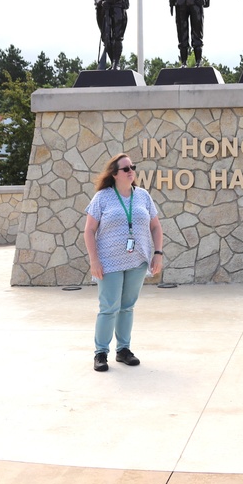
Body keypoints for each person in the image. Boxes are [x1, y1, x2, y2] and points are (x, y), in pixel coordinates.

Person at [84, 153, 163, 372]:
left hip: (137, 260)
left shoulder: (143, 196)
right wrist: (94, 260)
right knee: (109, 307)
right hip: (109, 262)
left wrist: (158, 253)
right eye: (126, 169)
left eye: (132, 167)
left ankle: (124, 350)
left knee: (127, 307)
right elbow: (89, 231)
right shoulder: (102, 197)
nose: (131, 172)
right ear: (115, 174)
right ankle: (101, 353)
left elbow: (156, 226)